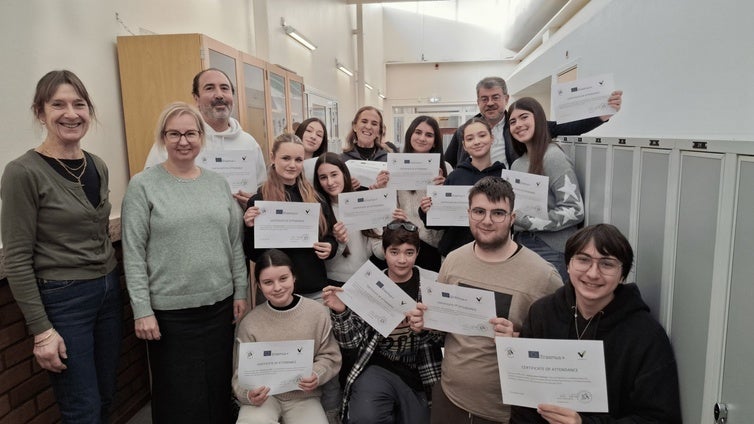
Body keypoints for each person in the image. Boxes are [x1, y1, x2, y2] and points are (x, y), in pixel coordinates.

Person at [1, 70, 121, 423]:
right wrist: (42, 331)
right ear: (40, 113)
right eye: (58, 105)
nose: (71, 113)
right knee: (81, 407)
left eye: (79, 104)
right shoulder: (23, 172)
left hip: (108, 292)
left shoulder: (95, 165)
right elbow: (18, 258)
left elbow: (97, 232)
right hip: (63, 301)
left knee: (106, 395)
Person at [122, 102, 248, 423]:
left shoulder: (217, 183)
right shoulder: (143, 185)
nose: (183, 141)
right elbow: (133, 253)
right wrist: (142, 309)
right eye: (174, 133)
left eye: (191, 133)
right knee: (178, 395)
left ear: (201, 137)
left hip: (219, 308)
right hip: (169, 315)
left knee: (217, 387)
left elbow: (233, 242)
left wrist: (240, 291)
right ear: (163, 138)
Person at [408, 176, 562, 424]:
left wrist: (519, 341)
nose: (487, 221)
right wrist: (425, 323)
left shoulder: (543, 276)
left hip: (504, 412)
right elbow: (440, 330)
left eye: (498, 213)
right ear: (468, 214)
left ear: (512, 219)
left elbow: (559, 348)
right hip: (450, 399)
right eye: (479, 211)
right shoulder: (453, 261)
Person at [510, 224, 682, 423]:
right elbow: (524, 400)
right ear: (568, 265)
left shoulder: (646, 335)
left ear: (622, 275)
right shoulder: (542, 313)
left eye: (607, 264)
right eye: (583, 260)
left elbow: (659, 419)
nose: (593, 273)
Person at [322, 220, 445, 423]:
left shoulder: (432, 283)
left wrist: (426, 327)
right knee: (365, 417)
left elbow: (444, 340)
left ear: (418, 252)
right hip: (379, 366)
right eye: (394, 252)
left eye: (409, 252)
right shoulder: (370, 285)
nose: (402, 260)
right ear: (384, 252)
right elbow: (351, 343)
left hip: (421, 369)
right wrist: (341, 311)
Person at [233, 249, 341, 424]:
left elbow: (330, 356)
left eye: (283, 278)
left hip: (304, 397)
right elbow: (239, 375)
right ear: (259, 286)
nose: (277, 287)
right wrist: (248, 394)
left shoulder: (317, 313)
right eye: (268, 282)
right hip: (264, 398)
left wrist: (316, 374)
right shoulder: (250, 322)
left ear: (294, 277)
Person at [143, 68, 267, 206]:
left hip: (242, 225)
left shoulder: (249, 143)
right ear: (196, 98)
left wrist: (253, 200)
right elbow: (150, 188)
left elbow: (262, 188)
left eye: (224, 88)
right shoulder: (176, 143)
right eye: (209, 88)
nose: (219, 95)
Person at [444, 76, 623, 169]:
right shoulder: (463, 131)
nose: (490, 103)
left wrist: (601, 115)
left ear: (506, 98)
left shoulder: (519, 125)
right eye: (484, 99)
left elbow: (567, 127)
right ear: (478, 102)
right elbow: (448, 162)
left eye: (495, 97)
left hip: (514, 194)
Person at [243, 133, 338, 299]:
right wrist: (250, 228)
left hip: (313, 288)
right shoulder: (259, 201)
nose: (292, 165)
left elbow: (330, 236)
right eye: (286, 158)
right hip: (275, 293)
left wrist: (330, 248)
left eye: (298, 160)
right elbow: (253, 254)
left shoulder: (316, 199)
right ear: (273, 157)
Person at [509, 97, 584, 281]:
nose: (518, 124)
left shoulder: (553, 156)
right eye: (512, 121)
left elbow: (575, 211)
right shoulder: (517, 164)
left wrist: (526, 221)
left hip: (551, 249)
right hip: (522, 244)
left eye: (524, 117)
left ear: (539, 119)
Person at [418, 118, 505, 258]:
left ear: (492, 138)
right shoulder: (455, 176)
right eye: (470, 138)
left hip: (494, 254)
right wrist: (426, 210)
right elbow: (439, 224)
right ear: (464, 145)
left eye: (482, 135)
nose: (477, 142)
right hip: (455, 254)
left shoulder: (504, 177)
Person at [313, 152, 385, 285]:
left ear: (344, 174)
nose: (330, 182)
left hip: (364, 280)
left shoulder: (362, 203)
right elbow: (325, 261)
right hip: (332, 282)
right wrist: (340, 243)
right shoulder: (318, 210)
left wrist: (385, 225)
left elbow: (379, 251)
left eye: (334, 174)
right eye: (323, 177)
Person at [396, 115, 450, 271]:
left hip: (434, 244)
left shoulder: (446, 168)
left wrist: (442, 190)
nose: (422, 138)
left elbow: (449, 211)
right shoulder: (397, 166)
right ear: (410, 135)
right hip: (404, 240)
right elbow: (390, 204)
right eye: (418, 132)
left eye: (429, 135)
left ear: (435, 142)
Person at [340, 106, 391, 189]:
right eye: (364, 121)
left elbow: (396, 194)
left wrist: (384, 189)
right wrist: (346, 188)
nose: (368, 127)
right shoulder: (341, 160)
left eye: (374, 124)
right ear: (354, 126)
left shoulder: (389, 160)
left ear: (379, 131)